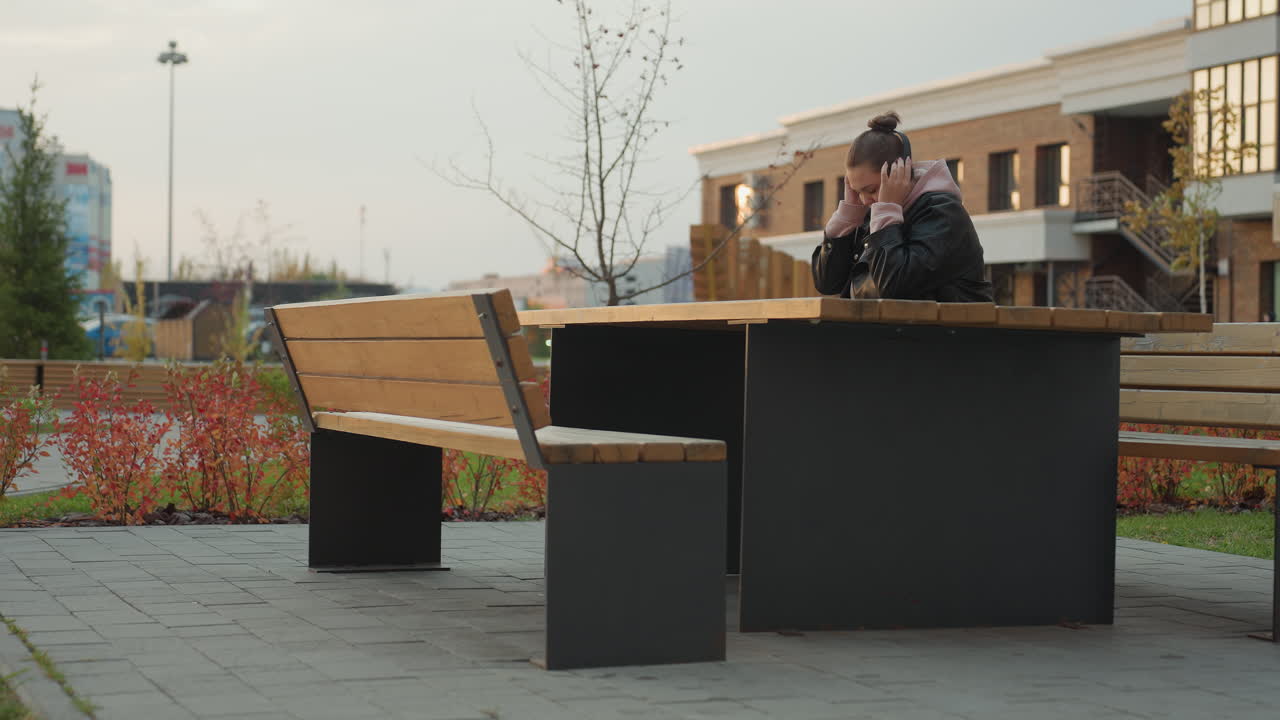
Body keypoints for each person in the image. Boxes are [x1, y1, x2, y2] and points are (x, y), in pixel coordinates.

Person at [812, 112, 993, 302]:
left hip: (951, 322)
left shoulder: (943, 214)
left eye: (871, 190)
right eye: (857, 191)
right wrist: (848, 216)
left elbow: (894, 286)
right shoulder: (874, 216)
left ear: (900, 173)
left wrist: (887, 211)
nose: (864, 200)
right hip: (887, 322)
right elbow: (827, 283)